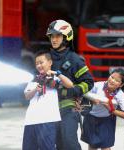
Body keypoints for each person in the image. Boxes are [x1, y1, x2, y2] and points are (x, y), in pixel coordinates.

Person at [46, 19, 94, 150]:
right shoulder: (46, 58)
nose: (54, 39)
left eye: (57, 36)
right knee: (56, 144)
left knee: (69, 143)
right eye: (52, 36)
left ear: (67, 37)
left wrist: (73, 91)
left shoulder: (74, 59)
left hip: (69, 109)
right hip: (49, 108)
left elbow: (89, 82)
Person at [22, 50, 74, 150]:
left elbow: (70, 85)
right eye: (37, 63)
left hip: (48, 119)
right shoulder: (34, 79)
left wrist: (57, 73)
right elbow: (27, 96)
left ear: (50, 63)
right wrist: (35, 89)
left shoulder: (56, 78)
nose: (39, 65)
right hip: (30, 120)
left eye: (41, 62)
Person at [81, 68, 124, 150]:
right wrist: (91, 100)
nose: (112, 81)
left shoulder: (121, 96)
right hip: (91, 118)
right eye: (112, 77)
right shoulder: (97, 86)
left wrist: (111, 109)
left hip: (107, 120)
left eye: (117, 80)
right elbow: (84, 95)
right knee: (92, 145)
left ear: (121, 85)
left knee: (106, 146)